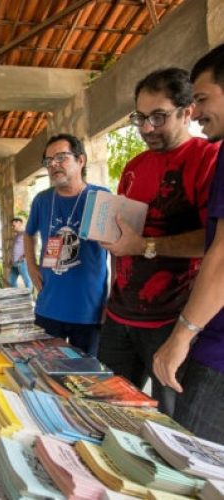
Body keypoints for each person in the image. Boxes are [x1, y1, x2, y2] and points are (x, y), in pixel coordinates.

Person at [99, 68, 220, 416]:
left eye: (158, 117)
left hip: (172, 320)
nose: (146, 128)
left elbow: (213, 242)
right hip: (120, 315)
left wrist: (144, 246)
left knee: (171, 425)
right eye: (140, 117)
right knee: (108, 411)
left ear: (187, 111)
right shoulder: (134, 166)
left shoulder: (208, 158)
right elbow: (123, 240)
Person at [152, 45, 224, 443]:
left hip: (217, 354)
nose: (196, 111)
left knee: (192, 464)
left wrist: (181, 335)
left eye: (201, 98)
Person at [24, 133, 109, 356]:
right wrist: (31, 268)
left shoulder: (100, 197)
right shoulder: (42, 200)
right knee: (46, 373)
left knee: (86, 379)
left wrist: (113, 297)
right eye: (48, 161)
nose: (53, 165)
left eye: (61, 157)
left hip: (88, 309)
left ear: (81, 160)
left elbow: (117, 251)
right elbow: (28, 234)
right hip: (48, 307)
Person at [9, 217, 32, 289]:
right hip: (15, 263)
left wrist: (24, 256)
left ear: (20, 223)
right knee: (12, 281)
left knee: (27, 281)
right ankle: (17, 297)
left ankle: (28, 298)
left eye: (14, 225)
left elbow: (30, 246)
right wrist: (11, 259)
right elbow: (15, 248)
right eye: (12, 226)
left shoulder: (26, 234)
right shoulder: (17, 235)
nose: (12, 227)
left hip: (22, 262)